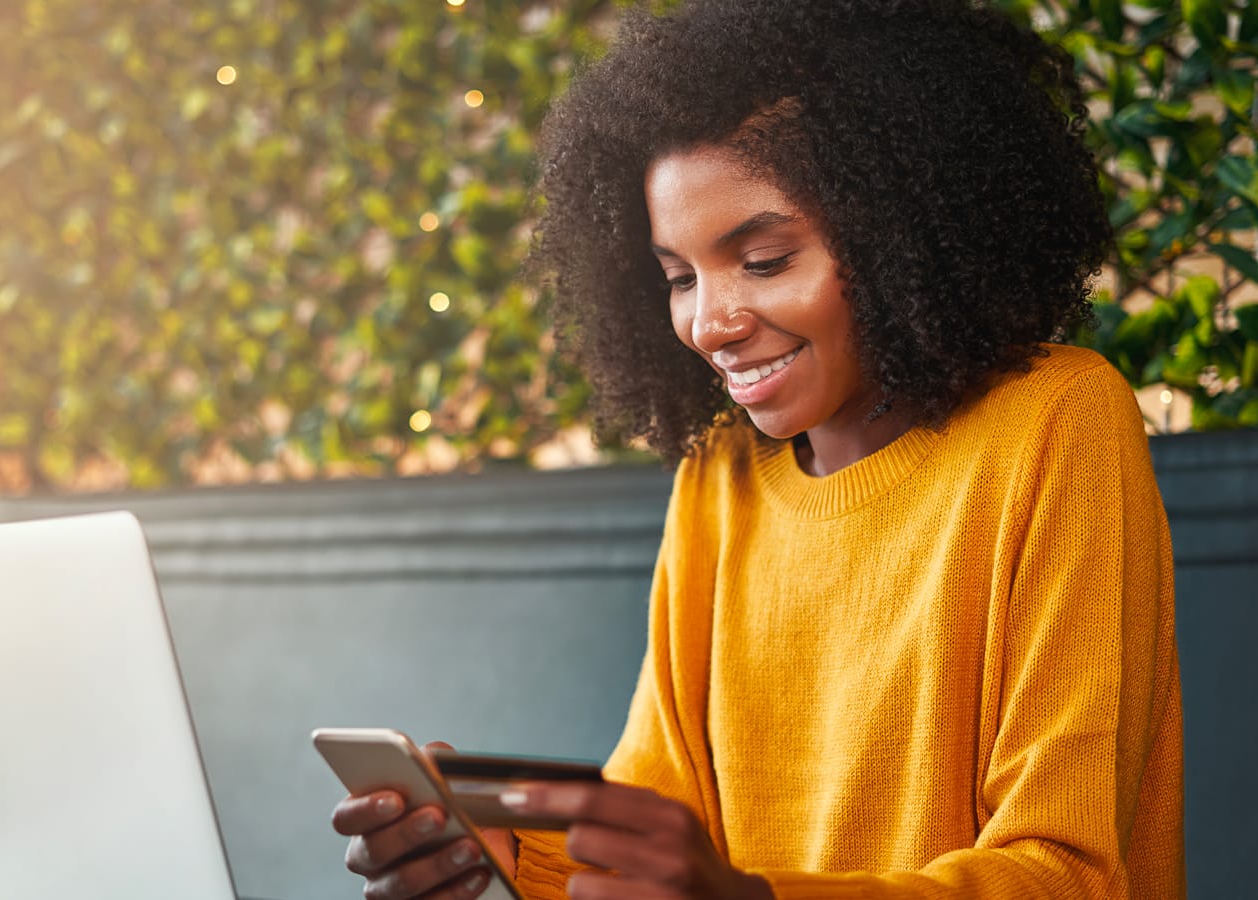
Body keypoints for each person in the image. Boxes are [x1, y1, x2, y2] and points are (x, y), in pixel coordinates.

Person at [330, 0, 1184, 897]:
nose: (710, 323)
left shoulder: (1057, 419)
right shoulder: (722, 473)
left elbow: (1070, 872)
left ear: (903, 236)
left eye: (766, 260)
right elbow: (662, 824)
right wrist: (505, 859)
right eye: (678, 277)